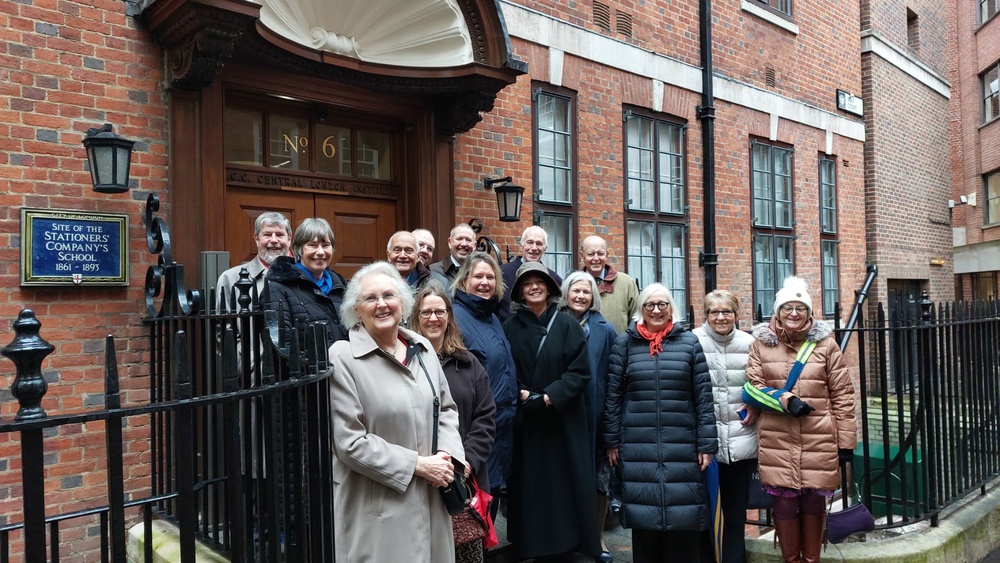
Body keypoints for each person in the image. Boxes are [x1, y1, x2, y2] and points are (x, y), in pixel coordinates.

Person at [328, 261, 466, 563]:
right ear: (356, 309)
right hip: (378, 511)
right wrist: (418, 465)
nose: (382, 305)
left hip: (432, 501)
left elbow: (446, 409)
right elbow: (349, 443)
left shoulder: (423, 348)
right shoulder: (344, 357)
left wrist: (447, 456)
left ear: (402, 302)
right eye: (370, 298)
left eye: (389, 295)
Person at [744, 277, 857, 563]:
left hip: (819, 440)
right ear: (777, 312)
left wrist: (845, 443)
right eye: (787, 308)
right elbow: (753, 387)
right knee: (783, 506)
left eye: (800, 308)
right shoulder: (761, 346)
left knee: (813, 505)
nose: (793, 313)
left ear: (809, 313)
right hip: (777, 440)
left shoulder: (826, 346)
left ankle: (812, 560)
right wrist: (786, 401)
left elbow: (843, 396)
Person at [604, 283, 718, 563]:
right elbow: (613, 395)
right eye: (650, 305)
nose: (656, 310)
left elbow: (703, 397)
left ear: (671, 309)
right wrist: (611, 440)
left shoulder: (689, 343)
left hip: (683, 445)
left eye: (662, 305)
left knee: (684, 519)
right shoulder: (625, 343)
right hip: (637, 444)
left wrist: (706, 443)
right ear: (641, 310)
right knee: (645, 525)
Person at [503, 261, 600, 561]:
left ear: (549, 288)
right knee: (530, 485)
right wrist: (523, 394)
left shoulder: (567, 323)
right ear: (520, 290)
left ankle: (565, 543)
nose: (534, 287)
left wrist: (548, 397)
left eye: (540, 282)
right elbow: (504, 367)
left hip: (561, 419)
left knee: (562, 486)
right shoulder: (509, 326)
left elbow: (580, 371)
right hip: (527, 422)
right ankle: (530, 545)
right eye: (528, 283)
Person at [410, 283, 497, 563]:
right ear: (416, 317)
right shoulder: (404, 363)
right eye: (426, 313)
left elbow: (485, 417)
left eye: (439, 311)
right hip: (419, 479)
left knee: (466, 554)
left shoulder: (468, 363)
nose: (433, 319)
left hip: (463, 481)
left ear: (449, 316)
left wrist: (465, 460)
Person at [693, 289, 757, 563]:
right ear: (705, 314)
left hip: (740, 442)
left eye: (726, 311)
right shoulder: (692, 341)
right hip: (703, 445)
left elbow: (762, 383)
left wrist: (755, 403)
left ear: (736, 314)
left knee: (734, 515)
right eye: (714, 311)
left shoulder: (750, 343)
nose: (720, 317)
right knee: (702, 514)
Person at [450, 252, 517, 510]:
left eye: (491, 277)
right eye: (478, 276)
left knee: (489, 503)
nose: (484, 282)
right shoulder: (456, 319)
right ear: (464, 280)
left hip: (499, 430)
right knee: (473, 509)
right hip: (474, 432)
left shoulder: (490, 316)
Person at [559, 271, 618, 563]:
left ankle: (597, 536)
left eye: (586, 291)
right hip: (565, 414)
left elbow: (613, 376)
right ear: (566, 293)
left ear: (593, 295)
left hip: (597, 415)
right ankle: (569, 537)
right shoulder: (554, 324)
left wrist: (611, 422)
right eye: (575, 291)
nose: (580, 296)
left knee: (599, 479)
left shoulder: (605, 329)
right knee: (567, 477)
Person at [266, 217, 349, 346]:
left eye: (326, 245)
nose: (320, 252)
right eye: (312, 245)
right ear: (300, 250)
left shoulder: (343, 287)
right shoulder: (278, 289)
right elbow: (281, 345)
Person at [215, 212, 291, 309]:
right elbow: (223, 323)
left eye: (279, 234)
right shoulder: (230, 278)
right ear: (256, 238)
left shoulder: (304, 275)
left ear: (289, 238)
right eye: (267, 234)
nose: (274, 240)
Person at [498, 226, 562, 321]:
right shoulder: (501, 273)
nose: (534, 248)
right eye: (530, 242)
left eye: (539, 244)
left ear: (545, 249)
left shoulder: (553, 278)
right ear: (522, 246)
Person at [580, 235, 638, 334]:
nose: (596, 258)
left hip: (618, 347)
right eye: (590, 254)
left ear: (607, 255)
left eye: (600, 253)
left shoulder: (626, 283)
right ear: (582, 256)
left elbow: (637, 319)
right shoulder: (573, 285)